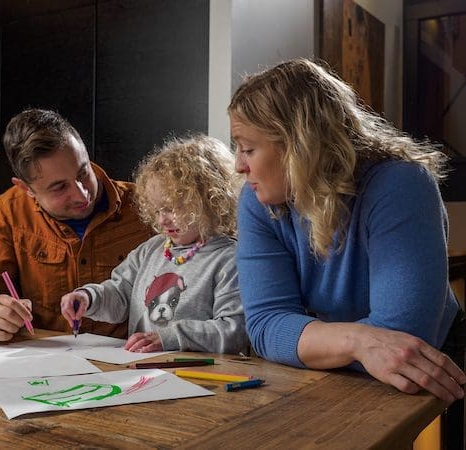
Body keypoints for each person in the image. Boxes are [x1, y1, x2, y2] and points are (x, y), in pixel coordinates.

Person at [228, 58, 466, 403]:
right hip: (340, 364)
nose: (238, 165)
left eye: (248, 149)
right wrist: (357, 342)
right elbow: (265, 326)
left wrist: (305, 341)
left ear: (299, 145)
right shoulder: (257, 200)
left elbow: (403, 339)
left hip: (432, 365)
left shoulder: (401, 184)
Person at [0, 109, 152, 341]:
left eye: (83, 172)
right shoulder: (11, 210)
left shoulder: (146, 205)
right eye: (59, 188)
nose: (82, 194)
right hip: (46, 362)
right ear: (27, 189)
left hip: (132, 362)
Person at [60, 135, 249, 354]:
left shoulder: (229, 259)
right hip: (144, 371)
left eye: (171, 208)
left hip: (202, 376)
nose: (161, 220)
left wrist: (169, 338)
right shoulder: (151, 249)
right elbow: (120, 295)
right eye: (158, 210)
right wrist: (89, 298)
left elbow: (234, 330)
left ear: (209, 200)